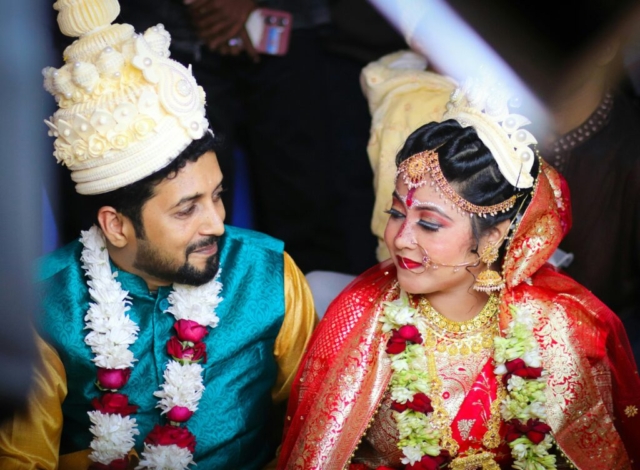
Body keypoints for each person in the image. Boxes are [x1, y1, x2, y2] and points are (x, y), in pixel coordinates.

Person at [0, 1, 315, 469]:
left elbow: (317, 433)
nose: (215, 224)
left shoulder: (269, 278)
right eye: (187, 210)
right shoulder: (47, 301)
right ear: (116, 225)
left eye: (217, 195)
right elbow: (23, 459)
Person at [277, 76, 640, 469]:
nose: (401, 240)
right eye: (397, 213)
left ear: (494, 236)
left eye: (429, 224)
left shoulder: (554, 326)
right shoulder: (362, 317)